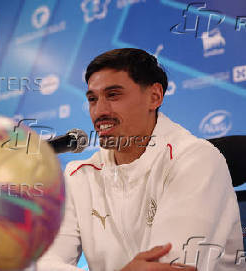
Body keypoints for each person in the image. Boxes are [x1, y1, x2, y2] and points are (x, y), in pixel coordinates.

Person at [36, 48, 244, 271]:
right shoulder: (78, 175)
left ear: (155, 97)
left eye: (113, 95)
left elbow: (171, 267)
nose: (99, 111)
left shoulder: (197, 159)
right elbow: (44, 263)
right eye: (92, 99)